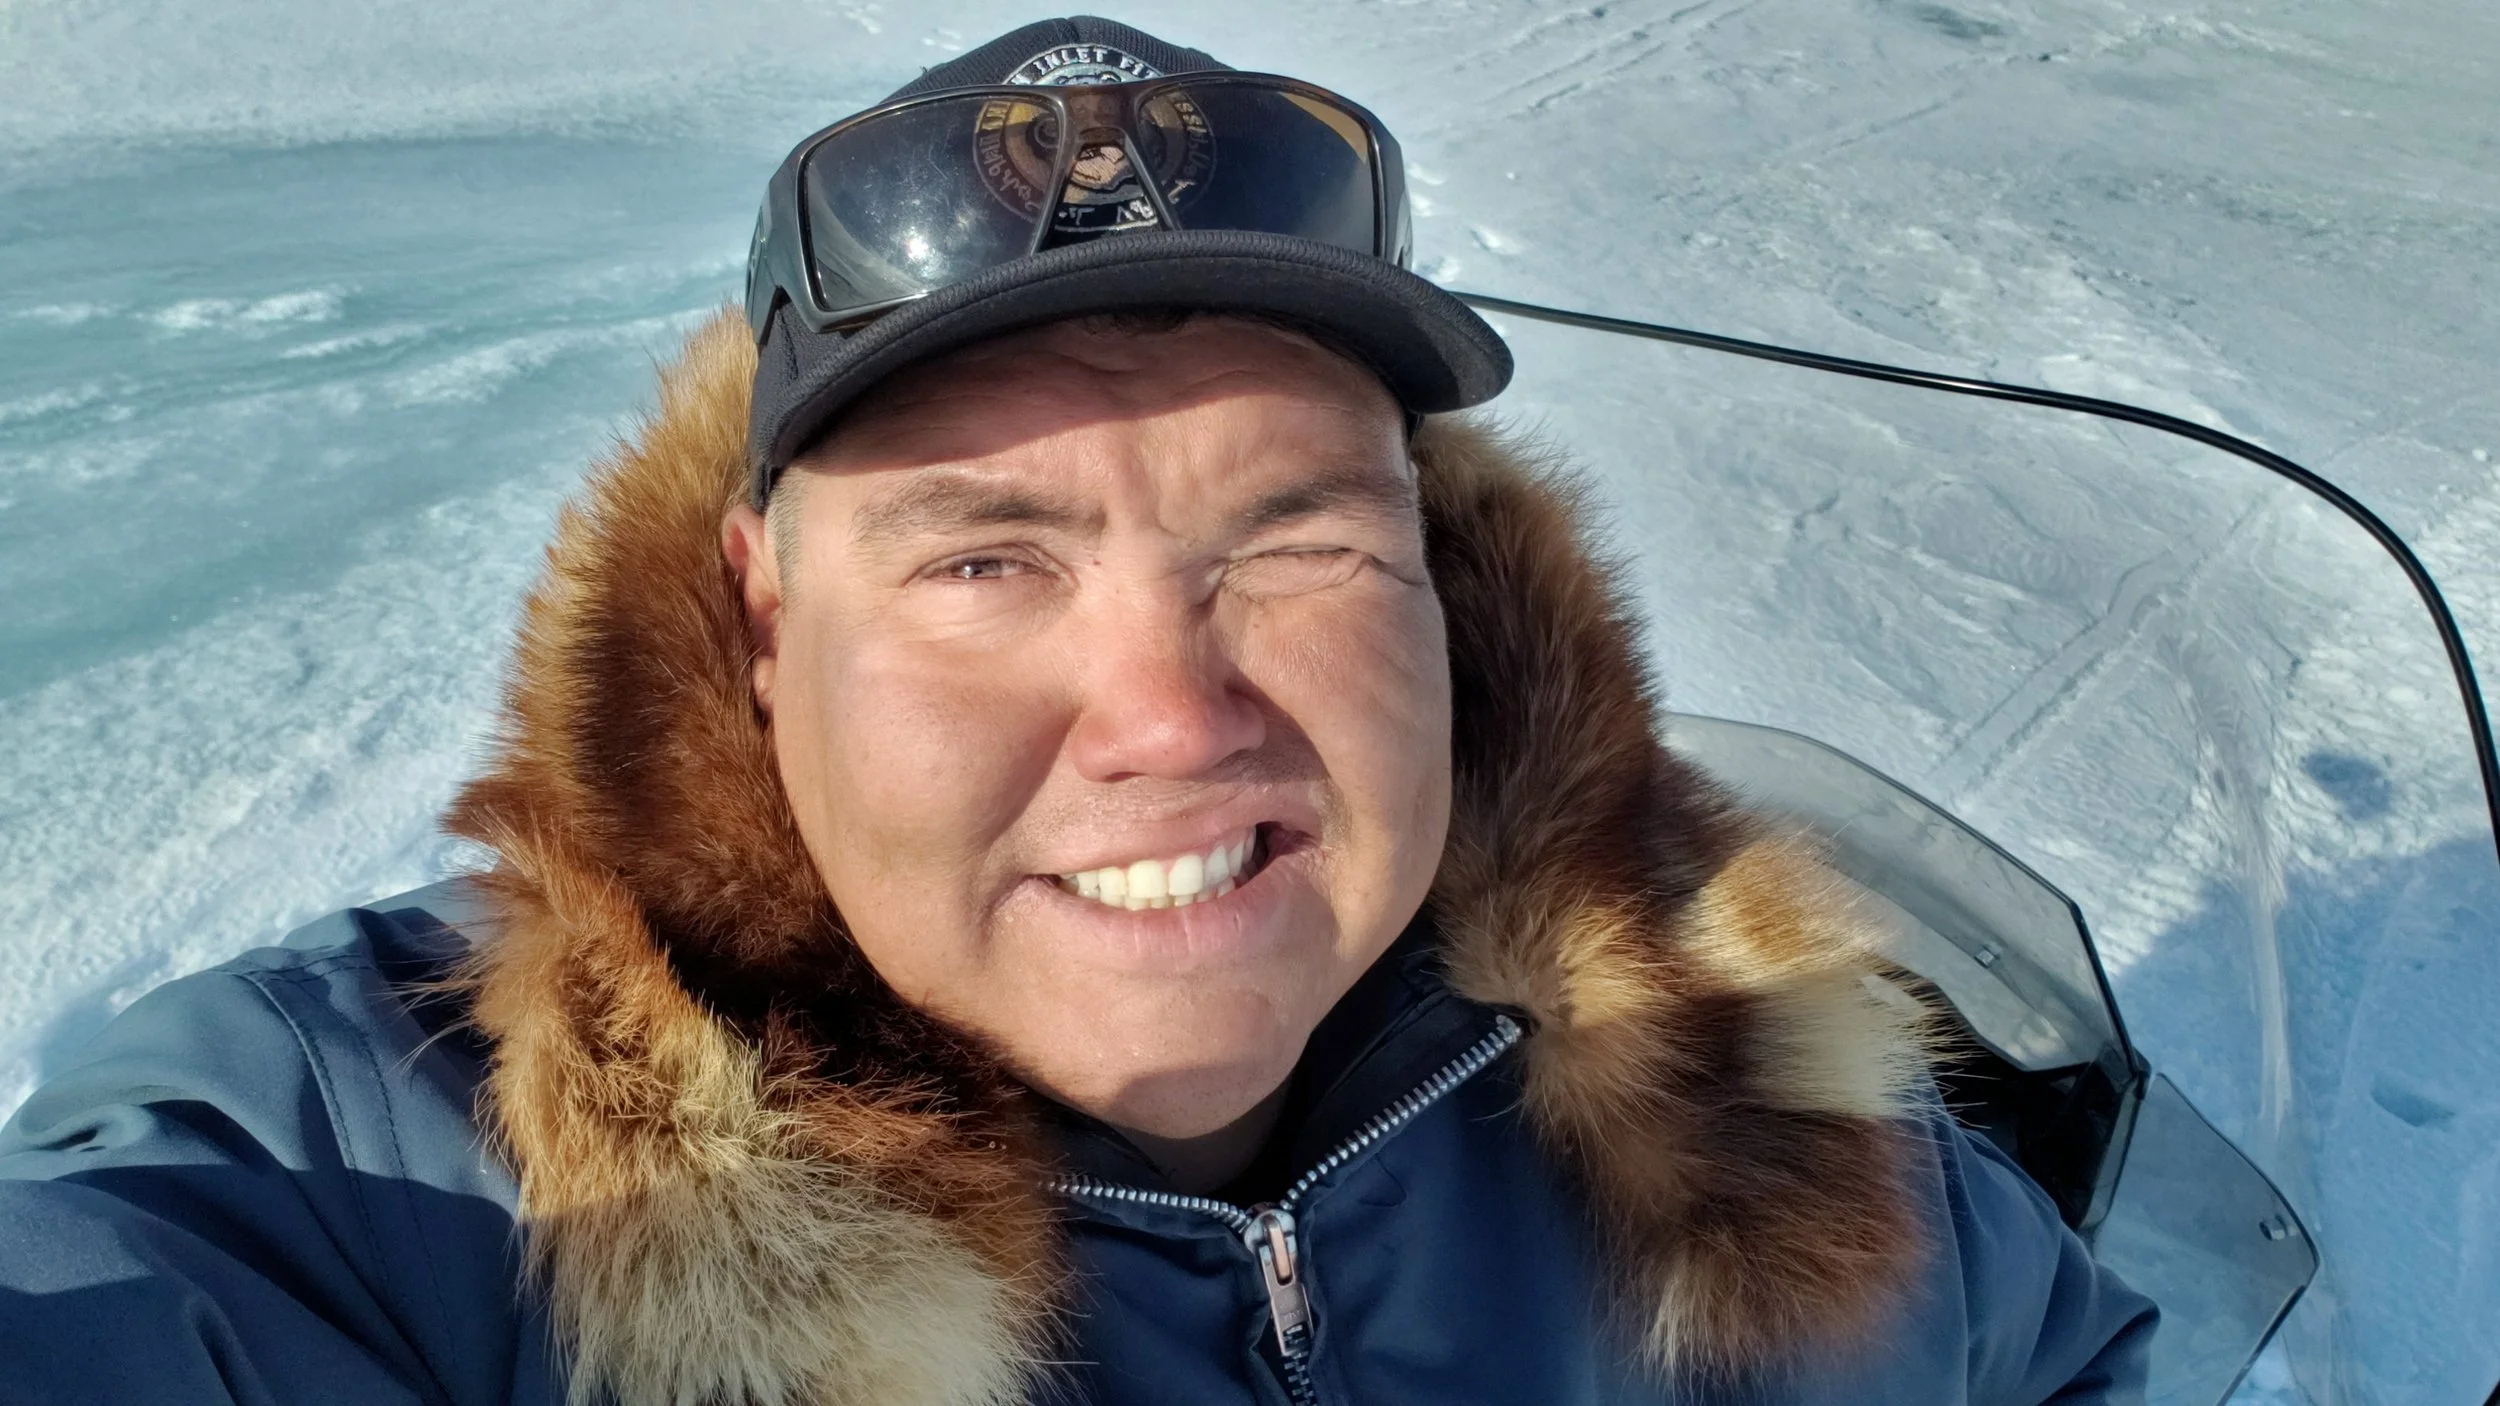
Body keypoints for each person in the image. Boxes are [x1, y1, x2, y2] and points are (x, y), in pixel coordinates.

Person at [0, 16, 2156, 1405]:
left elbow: (2054, 1363)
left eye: (1291, 536)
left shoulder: (1722, 1073)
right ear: (759, 626)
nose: (1162, 713)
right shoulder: (381, 1180)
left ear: (1438, 574)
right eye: (979, 560)